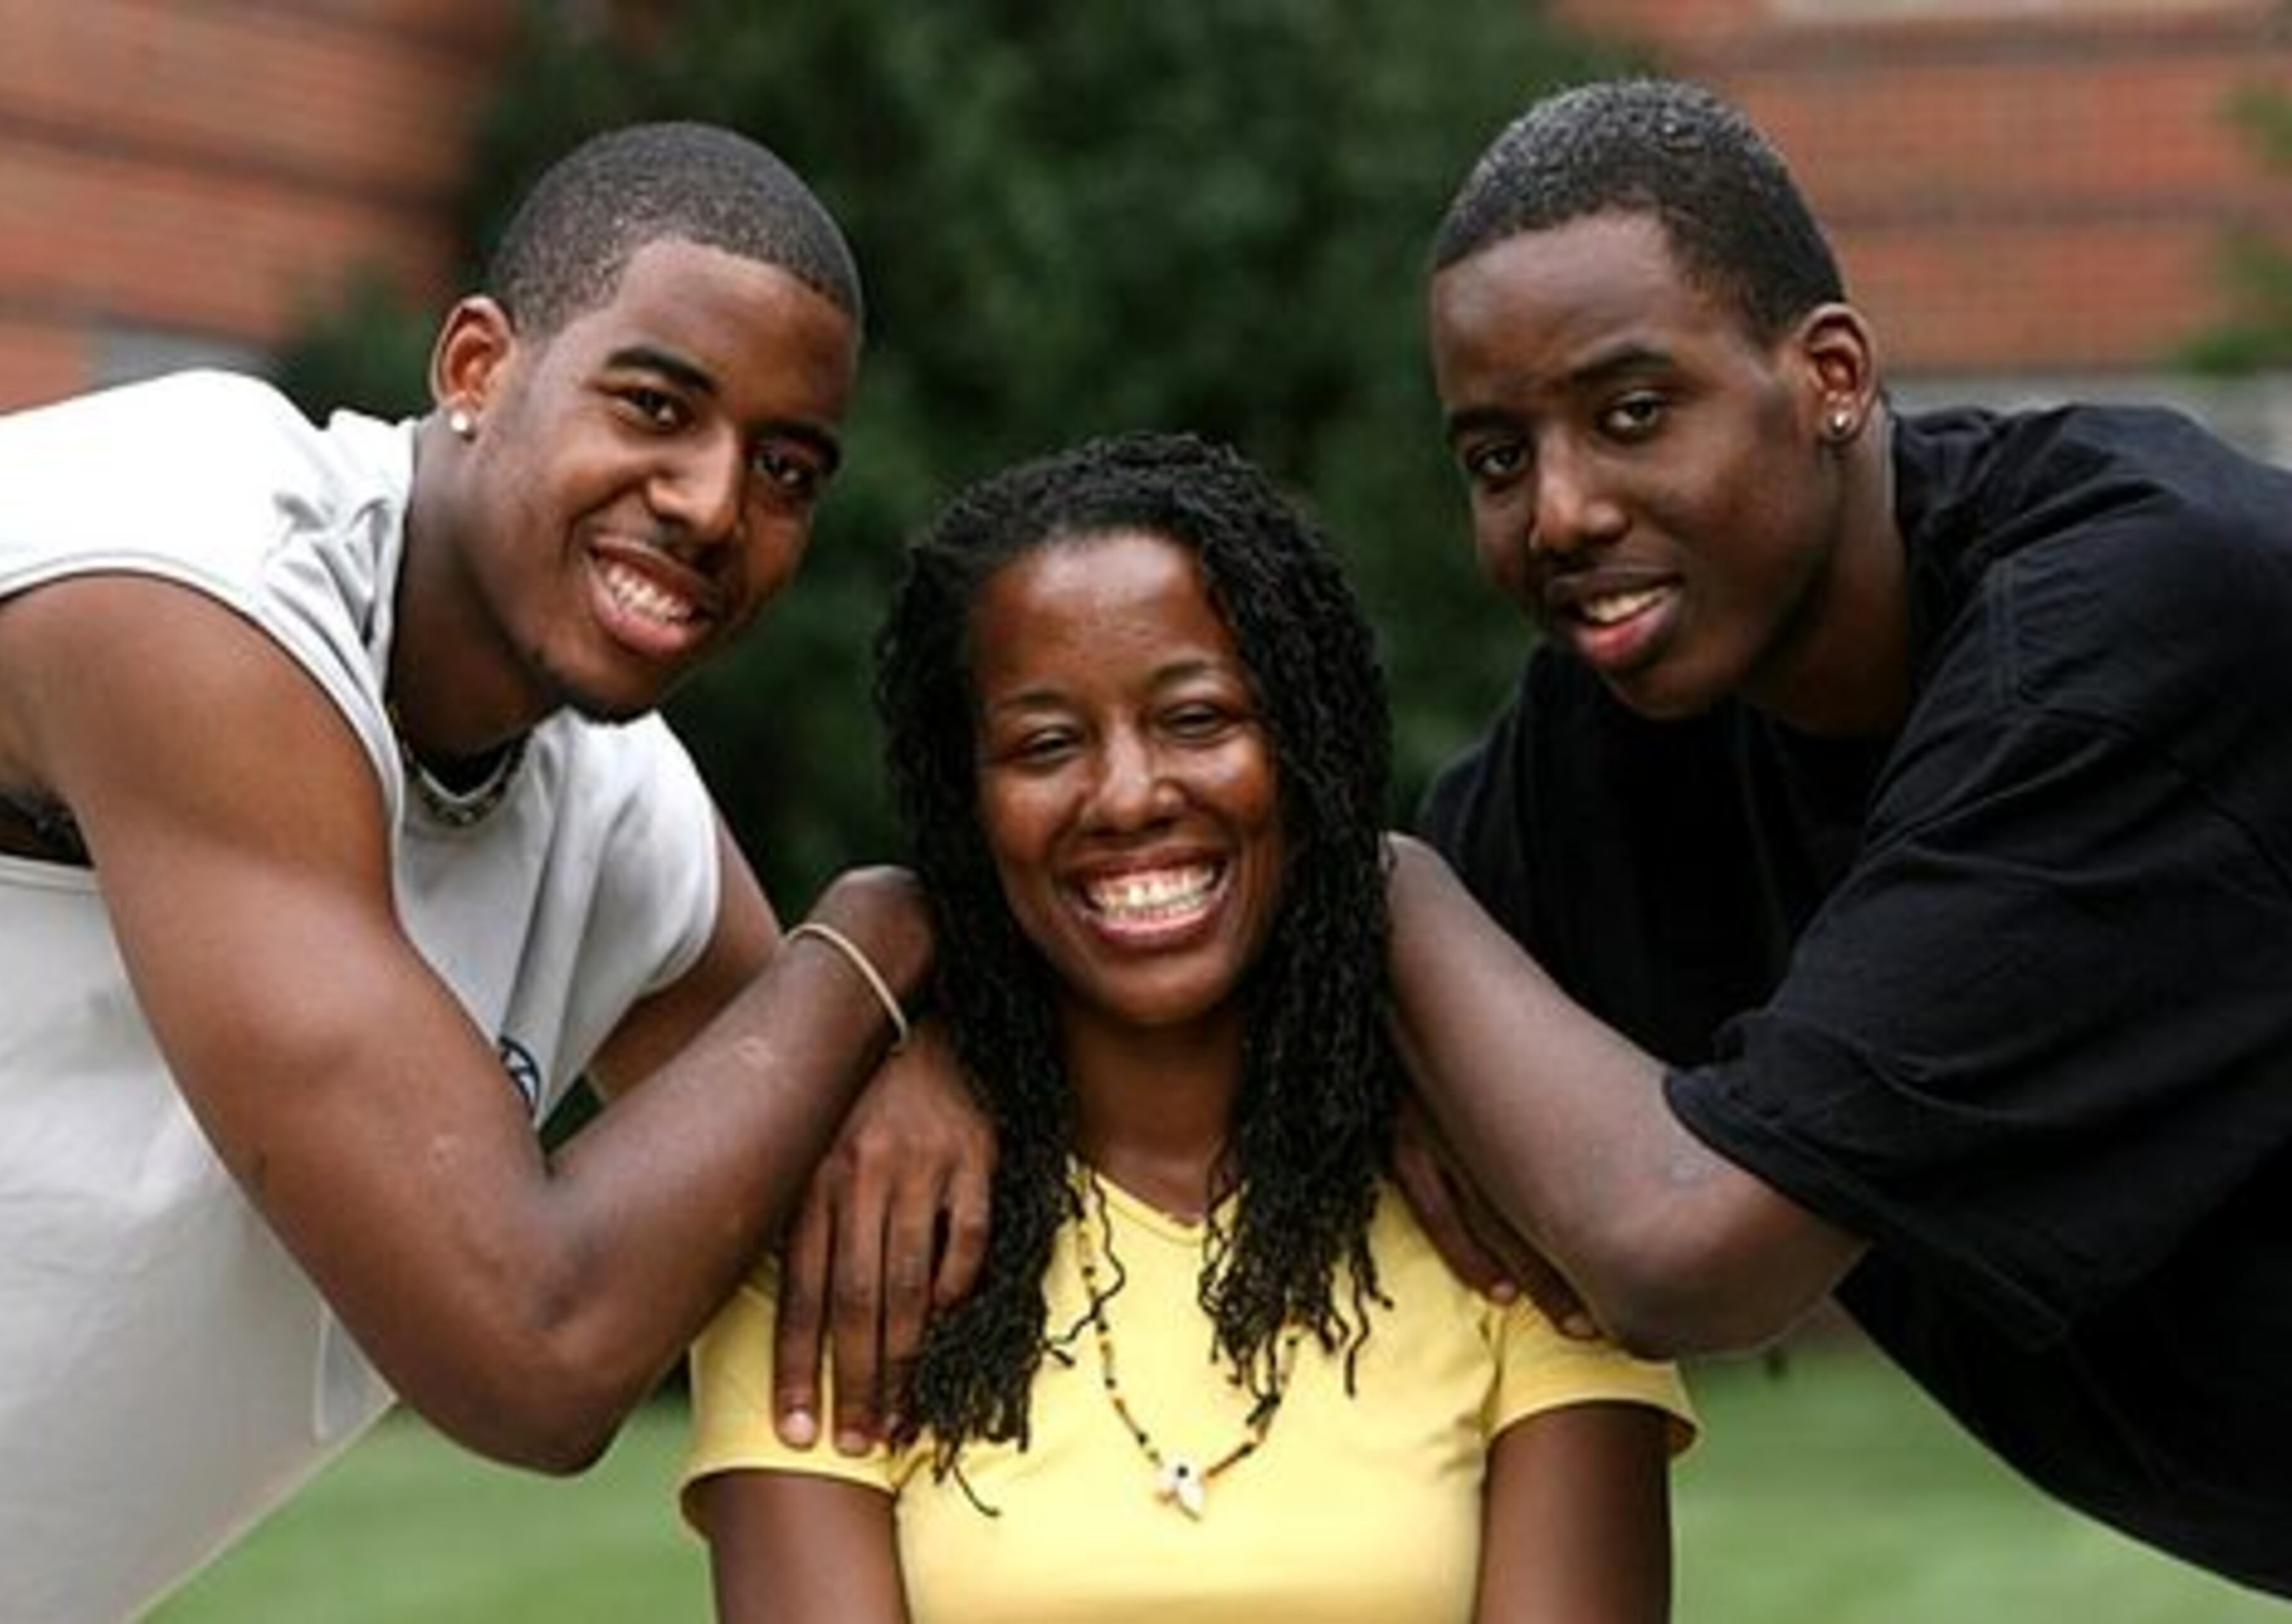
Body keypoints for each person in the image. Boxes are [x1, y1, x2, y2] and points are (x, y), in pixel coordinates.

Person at [0, 121, 989, 1624]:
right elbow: (532, 1346)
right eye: (657, 404)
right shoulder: (193, 586)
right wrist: (869, 936)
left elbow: (849, 1194)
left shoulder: (610, 813)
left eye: (786, 469)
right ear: (474, 368)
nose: (715, 502)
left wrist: (929, 1056)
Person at [1386, 76, 2292, 1601]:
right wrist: (917, 1012)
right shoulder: (1618, 738)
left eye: (1632, 414)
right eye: (1496, 458)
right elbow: (1225, 1013)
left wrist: (1378, 882)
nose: (1557, 511)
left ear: (1827, 375)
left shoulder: (2124, 641)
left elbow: (1688, 1249)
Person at [680, 433, 1692, 1622]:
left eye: (1199, 718)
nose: (1128, 794)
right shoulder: (852, 1245)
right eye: (1046, 743)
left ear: (1305, 745)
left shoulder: (1509, 1213)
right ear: (968, 806)